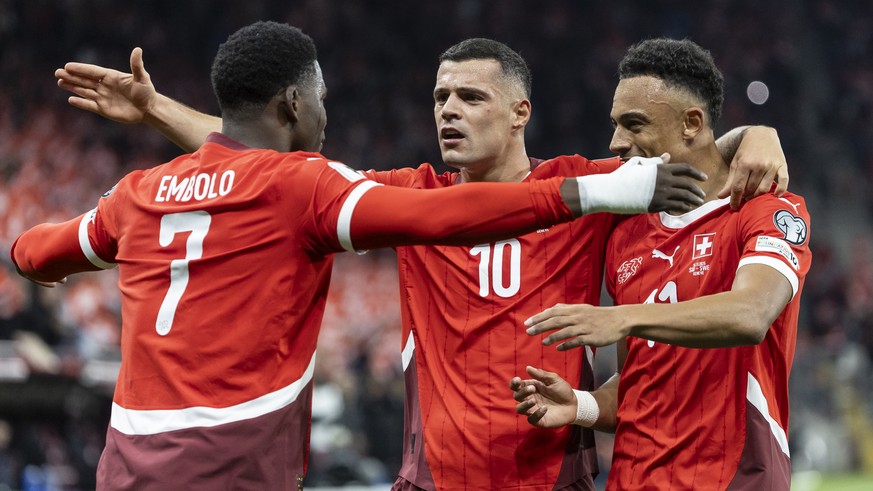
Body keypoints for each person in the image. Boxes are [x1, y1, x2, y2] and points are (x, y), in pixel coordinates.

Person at [54, 38, 788, 490]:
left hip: (550, 476)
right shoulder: (410, 198)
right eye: (440, 96)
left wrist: (756, 131)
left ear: (519, 111)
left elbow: (672, 152)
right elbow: (263, 166)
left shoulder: (582, 191)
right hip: (432, 476)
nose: (449, 110)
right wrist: (162, 113)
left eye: (471, 96)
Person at [512, 38, 811, 491]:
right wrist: (581, 406)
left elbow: (751, 314)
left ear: (692, 122)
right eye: (614, 125)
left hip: (733, 478)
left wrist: (622, 317)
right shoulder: (626, 237)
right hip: (632, 479)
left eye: (634, 124)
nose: (617, 142)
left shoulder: (765, 210)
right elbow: (641, 379)